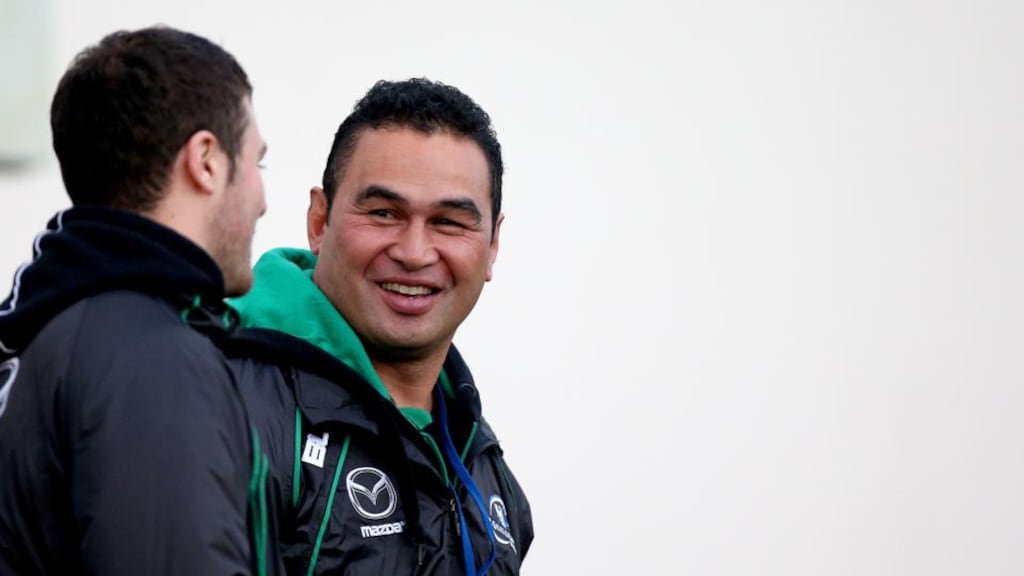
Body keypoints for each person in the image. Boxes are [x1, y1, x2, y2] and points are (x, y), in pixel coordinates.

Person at [0, 26, 281, 575]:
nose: (263, 200)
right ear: (205, 160)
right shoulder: (148, 359)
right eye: (257, 164)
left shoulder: (47, 327)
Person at [225, 78, 533, 574]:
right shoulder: (229, 404)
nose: (413, 253)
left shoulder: (483, 462)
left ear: (492, 245)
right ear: (319, 221)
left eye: (450, 222)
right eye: (384, 213)